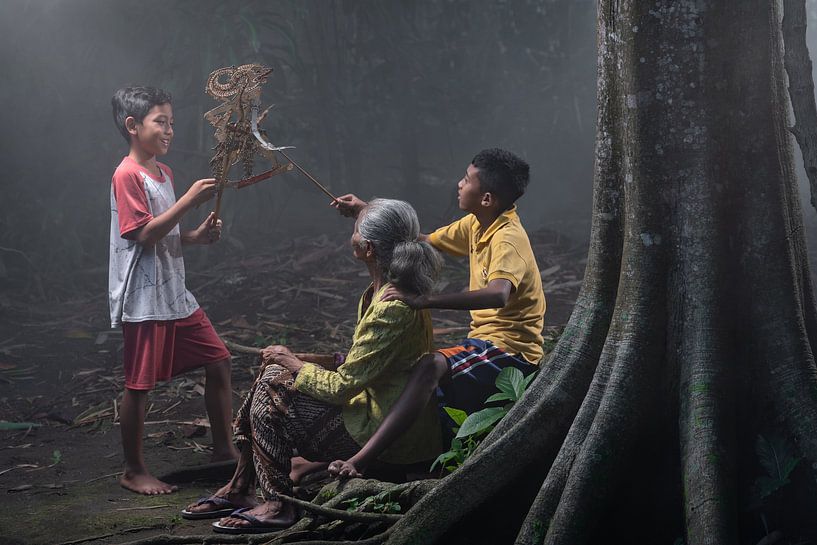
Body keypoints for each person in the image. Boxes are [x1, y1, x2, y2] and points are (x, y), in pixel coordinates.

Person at [182, 199, 444, 533]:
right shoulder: (385, 290)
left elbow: (342, 387)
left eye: (355, 231)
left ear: (368, 248)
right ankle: (241, 487)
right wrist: (298, 362)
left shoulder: (392, 307)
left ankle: (279, 504)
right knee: (272, 374)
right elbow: (365, 364)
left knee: (269, 391)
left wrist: (292, 361)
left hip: (383, 432)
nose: (351, 236)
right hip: (371, 408)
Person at [328, 148, 546, 477]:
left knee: (431, 365)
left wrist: (425, 301)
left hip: (510, 352)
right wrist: (366, 212)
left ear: (486, 198)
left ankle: (362, 459)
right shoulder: (477, 224)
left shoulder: (507, 238)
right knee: (422, 379)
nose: (458, 185)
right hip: (483, 342)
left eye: (466, 180)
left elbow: (499, 294)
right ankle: (408, 464)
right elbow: (424, 240)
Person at [109, 86, 238, 495]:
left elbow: (166, 233)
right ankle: (133, 470)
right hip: (145, 299)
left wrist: (196, 236)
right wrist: (187, 202)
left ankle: (223, 450)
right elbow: (143, 233)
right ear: (133, 126)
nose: (169, 131)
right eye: (160, 122)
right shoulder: (126, 174)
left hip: (173, 293)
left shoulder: (163, 174)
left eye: (171, 122)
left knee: (218, 361)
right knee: (139, 384)